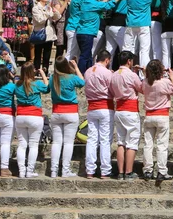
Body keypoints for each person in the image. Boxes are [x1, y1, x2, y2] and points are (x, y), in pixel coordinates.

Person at [123, 0, 172, 69]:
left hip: (130, 23)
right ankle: (143, 73)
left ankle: (126, 70)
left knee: (128, 49)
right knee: (144, 50)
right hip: (143, 24)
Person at [48, 56, 85, 178]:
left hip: (56, 112)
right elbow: (82, 82)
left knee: (57, 142)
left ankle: (53, 170)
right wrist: (76, 67)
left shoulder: (53, 78)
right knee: (68, 143)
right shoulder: (72, 78)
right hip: (70, 112)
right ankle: (65, 170)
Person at [141, 59, 173, 181]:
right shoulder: (165, 82)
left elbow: (144, 86)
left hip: (149, 115)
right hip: (162, 115)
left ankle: (148, 170)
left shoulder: (145, 82)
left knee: (148, 144)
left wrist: (145, 72)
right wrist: (172, 77)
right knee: (162, 145)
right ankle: (162, 171)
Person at [13, 62, 49, 178]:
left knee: (22, 145)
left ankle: (21, 171)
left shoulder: (17, 85)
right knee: (33, 145)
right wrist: (43, 73)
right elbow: (47, 87)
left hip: (21, 116)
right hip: (35, 116)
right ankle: (29, 170)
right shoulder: (37, 84)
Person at [111, 50, 143, 180]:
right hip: (130, 109)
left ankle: (120, 172)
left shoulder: (114, 75)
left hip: (119, 109)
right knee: (132, 142)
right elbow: (141, 88)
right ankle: (128, 171)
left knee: (121, 142)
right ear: (129, 61)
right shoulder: (131, 74)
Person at [83, 50, 114, 179]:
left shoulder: (88, 71)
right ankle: (105, 170)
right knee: (105, 140)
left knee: (92, 139)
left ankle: (90, 169)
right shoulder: (107, 73)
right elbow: (112, 88)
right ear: (107, 60)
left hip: (92, 106)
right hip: (105, 106)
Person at [77, 0, 122, 74]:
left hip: (81, 32)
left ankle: (88, 72)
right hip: (87, 33)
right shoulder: (93, 4)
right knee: (85, 56)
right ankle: (81, 74)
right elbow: (107, 6)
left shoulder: (85, 2)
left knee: (88, 55)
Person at [31, 0, 59, 74]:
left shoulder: (48, 7)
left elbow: (57, 17)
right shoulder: (35, 8)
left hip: (49, 33)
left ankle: (45, 70)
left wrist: (54, 11)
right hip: (39, 33)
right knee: (38, 53)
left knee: (47, 54)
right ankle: (36, 70)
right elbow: (40, 20)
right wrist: (48, 14)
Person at [106, 0, 129, 64]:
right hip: (119, 25)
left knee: (109, 50)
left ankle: (108, 69)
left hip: (110, 25)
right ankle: (123, 70)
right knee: (124, 49)